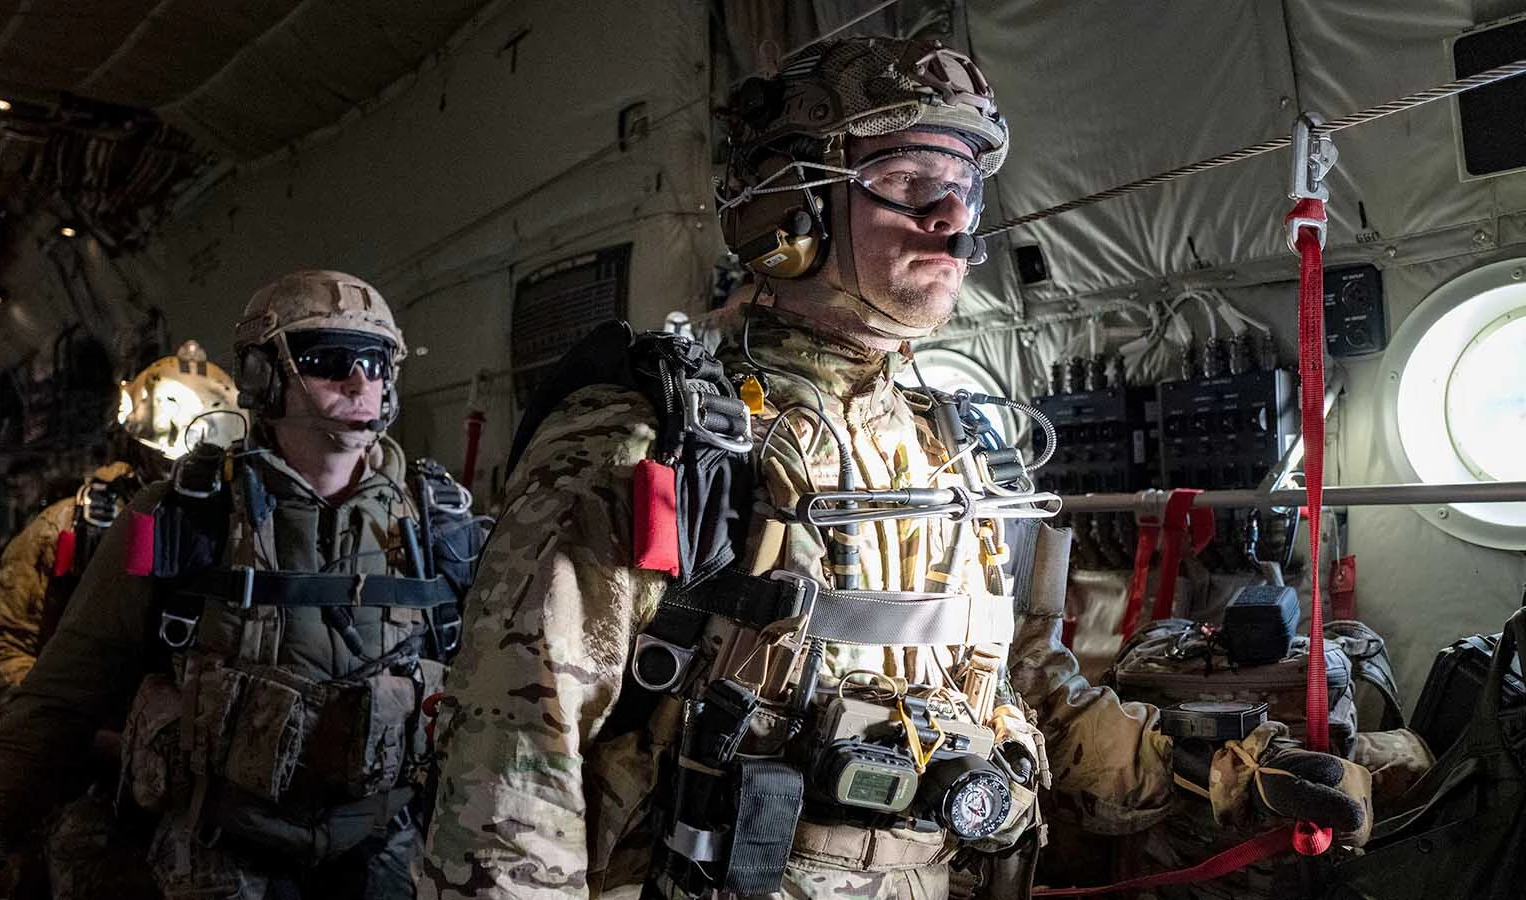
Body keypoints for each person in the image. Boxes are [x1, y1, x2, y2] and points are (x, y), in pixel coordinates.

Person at [420, 37, 1371, 900]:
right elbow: (512, 769)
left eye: (967, 190)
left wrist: (1230, 776)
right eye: (911, 180)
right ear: (784, 216)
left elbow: (1022, 690)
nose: (955, 221)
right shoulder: (652, 440)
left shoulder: (955, 448)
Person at [0, 270, 481, 900]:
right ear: (263, 377)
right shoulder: (178, 519)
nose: (360, 380)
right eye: (328, 359)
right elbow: (62, 697)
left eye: (375, 359)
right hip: (223, 858)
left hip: (385, 856)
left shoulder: (442, 529)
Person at [0, 340, 243, 712]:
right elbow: (3, 647)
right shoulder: (66, 525)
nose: (183, 477)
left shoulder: (247, 531)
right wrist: (71, 729)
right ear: (136, 445)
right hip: (93, 738)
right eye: (167, 462)